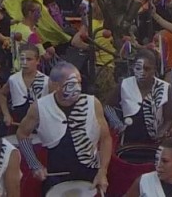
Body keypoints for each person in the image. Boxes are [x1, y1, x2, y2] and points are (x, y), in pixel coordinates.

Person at [16, 61, 112, 195]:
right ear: (56, 85)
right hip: (56, 177)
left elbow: (106, 139)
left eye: (79, 83)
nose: (77, 88)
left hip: (90, 174)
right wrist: (34, 164)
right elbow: (22, 134)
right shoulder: (40, 107)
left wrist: (103, 172)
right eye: (71, 84)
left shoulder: (93, 103)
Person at [106, 48, 172, 145]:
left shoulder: (164, 88)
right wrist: (117, 124)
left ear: (154, 69)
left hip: (154, 143)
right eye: (138, 69)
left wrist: (162, 132)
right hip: (128, 142)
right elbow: (108, 107)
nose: (142, 73)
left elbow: (168, 119)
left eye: (147, 69)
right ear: (133, 68)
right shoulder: (124, 84)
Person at [0, 44, 48, 130]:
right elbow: (2, 94)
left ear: (38, 60)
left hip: (40, 127)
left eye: (29, 59)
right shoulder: (13, 79)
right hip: (17, 125)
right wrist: (6, 114)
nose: (24, 63)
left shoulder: (46, 81)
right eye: (22, 59)